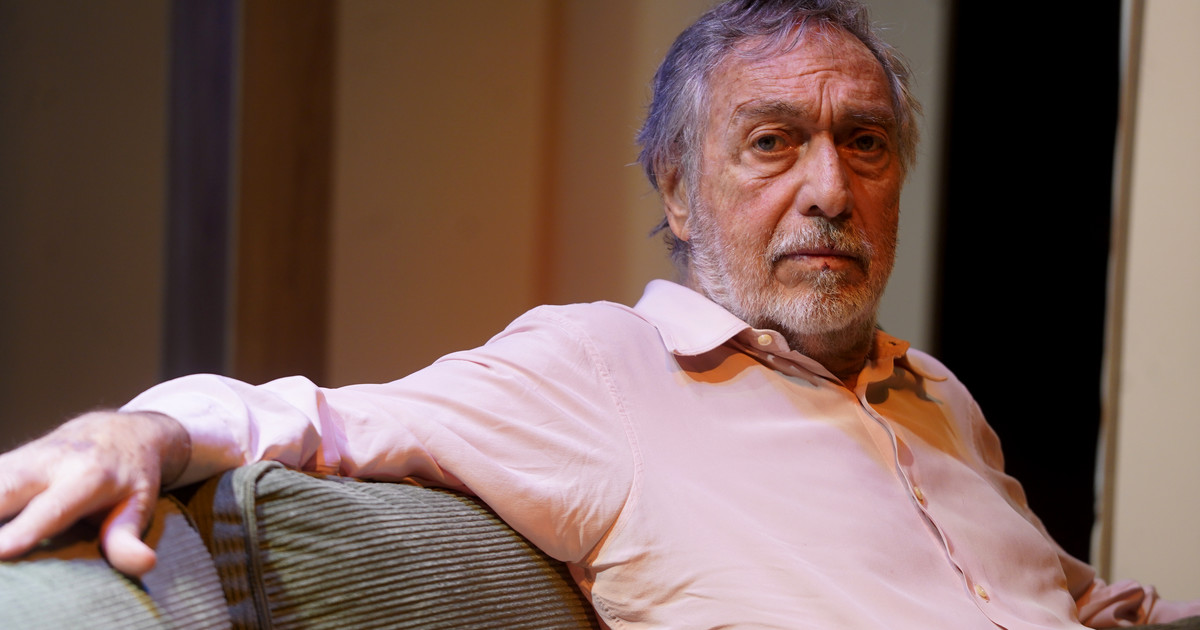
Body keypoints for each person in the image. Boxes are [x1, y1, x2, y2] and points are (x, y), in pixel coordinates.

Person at [0, 1, 1196, 627]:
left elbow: (1062, 599)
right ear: (677, 189)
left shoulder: (936, 394)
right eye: (773, 142)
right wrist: (138, 432)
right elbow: (321, 419)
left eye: (866, 144)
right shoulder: (605, 371)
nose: (831, 189)